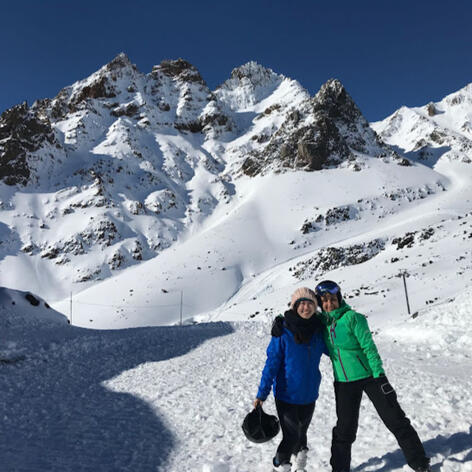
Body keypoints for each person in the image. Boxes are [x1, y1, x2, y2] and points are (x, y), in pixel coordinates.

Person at [313, 280, 431, 472]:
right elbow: (300, 314)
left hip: (370, 377)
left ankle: (419, 462)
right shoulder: (323, 323)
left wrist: (380, 376)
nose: (328, 304)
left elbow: (369, 348)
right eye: (324, 301)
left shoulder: (353, 318)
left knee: (395, 419)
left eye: (332, 299)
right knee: (344, 430)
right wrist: (282, 320)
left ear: (339, 298)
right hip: (343, 383)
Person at [255, 287, 328, 472]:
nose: (306, 307)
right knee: (291, 436)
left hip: (310, 395)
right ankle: (281, 464)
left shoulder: (319, 331)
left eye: (310, 303)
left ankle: (299, 465)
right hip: (287, 396)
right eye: (301, 303)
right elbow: (271, 364)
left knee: (301, 433)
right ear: (294, 306)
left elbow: (335, 350)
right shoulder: (283, 331)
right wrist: (262, 394)